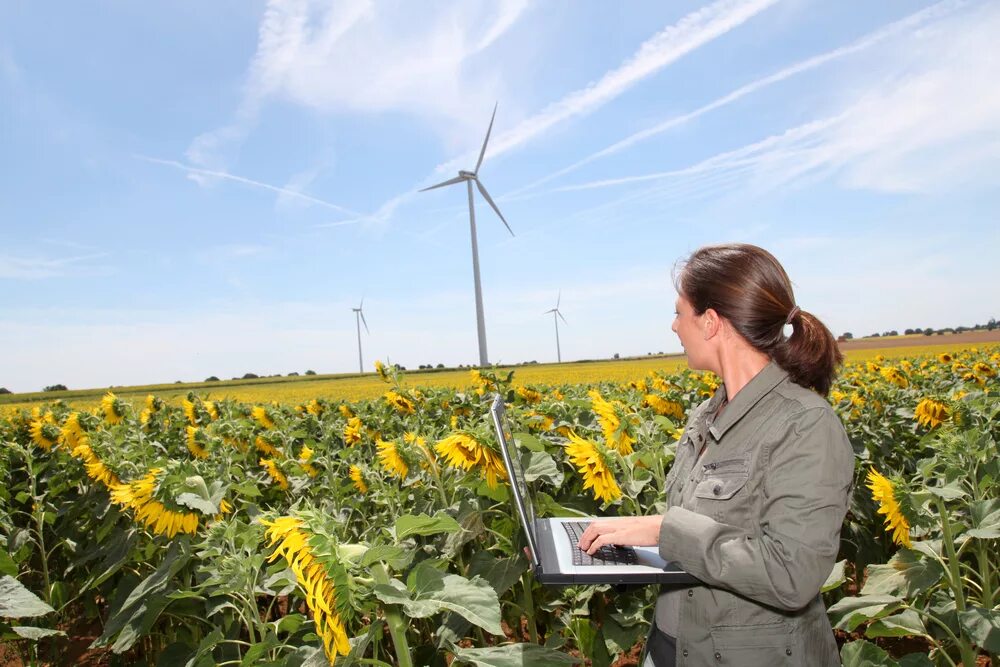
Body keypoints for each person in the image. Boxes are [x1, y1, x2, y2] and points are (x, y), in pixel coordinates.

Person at [578, 243, 854, 667]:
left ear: (709, 322)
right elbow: (697, 539)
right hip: (674, 646)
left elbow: (792, 573)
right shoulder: (707, 413)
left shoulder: (805, 424)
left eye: (678, 313)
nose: (673, 327)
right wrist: (612, 542)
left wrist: (664, 529)